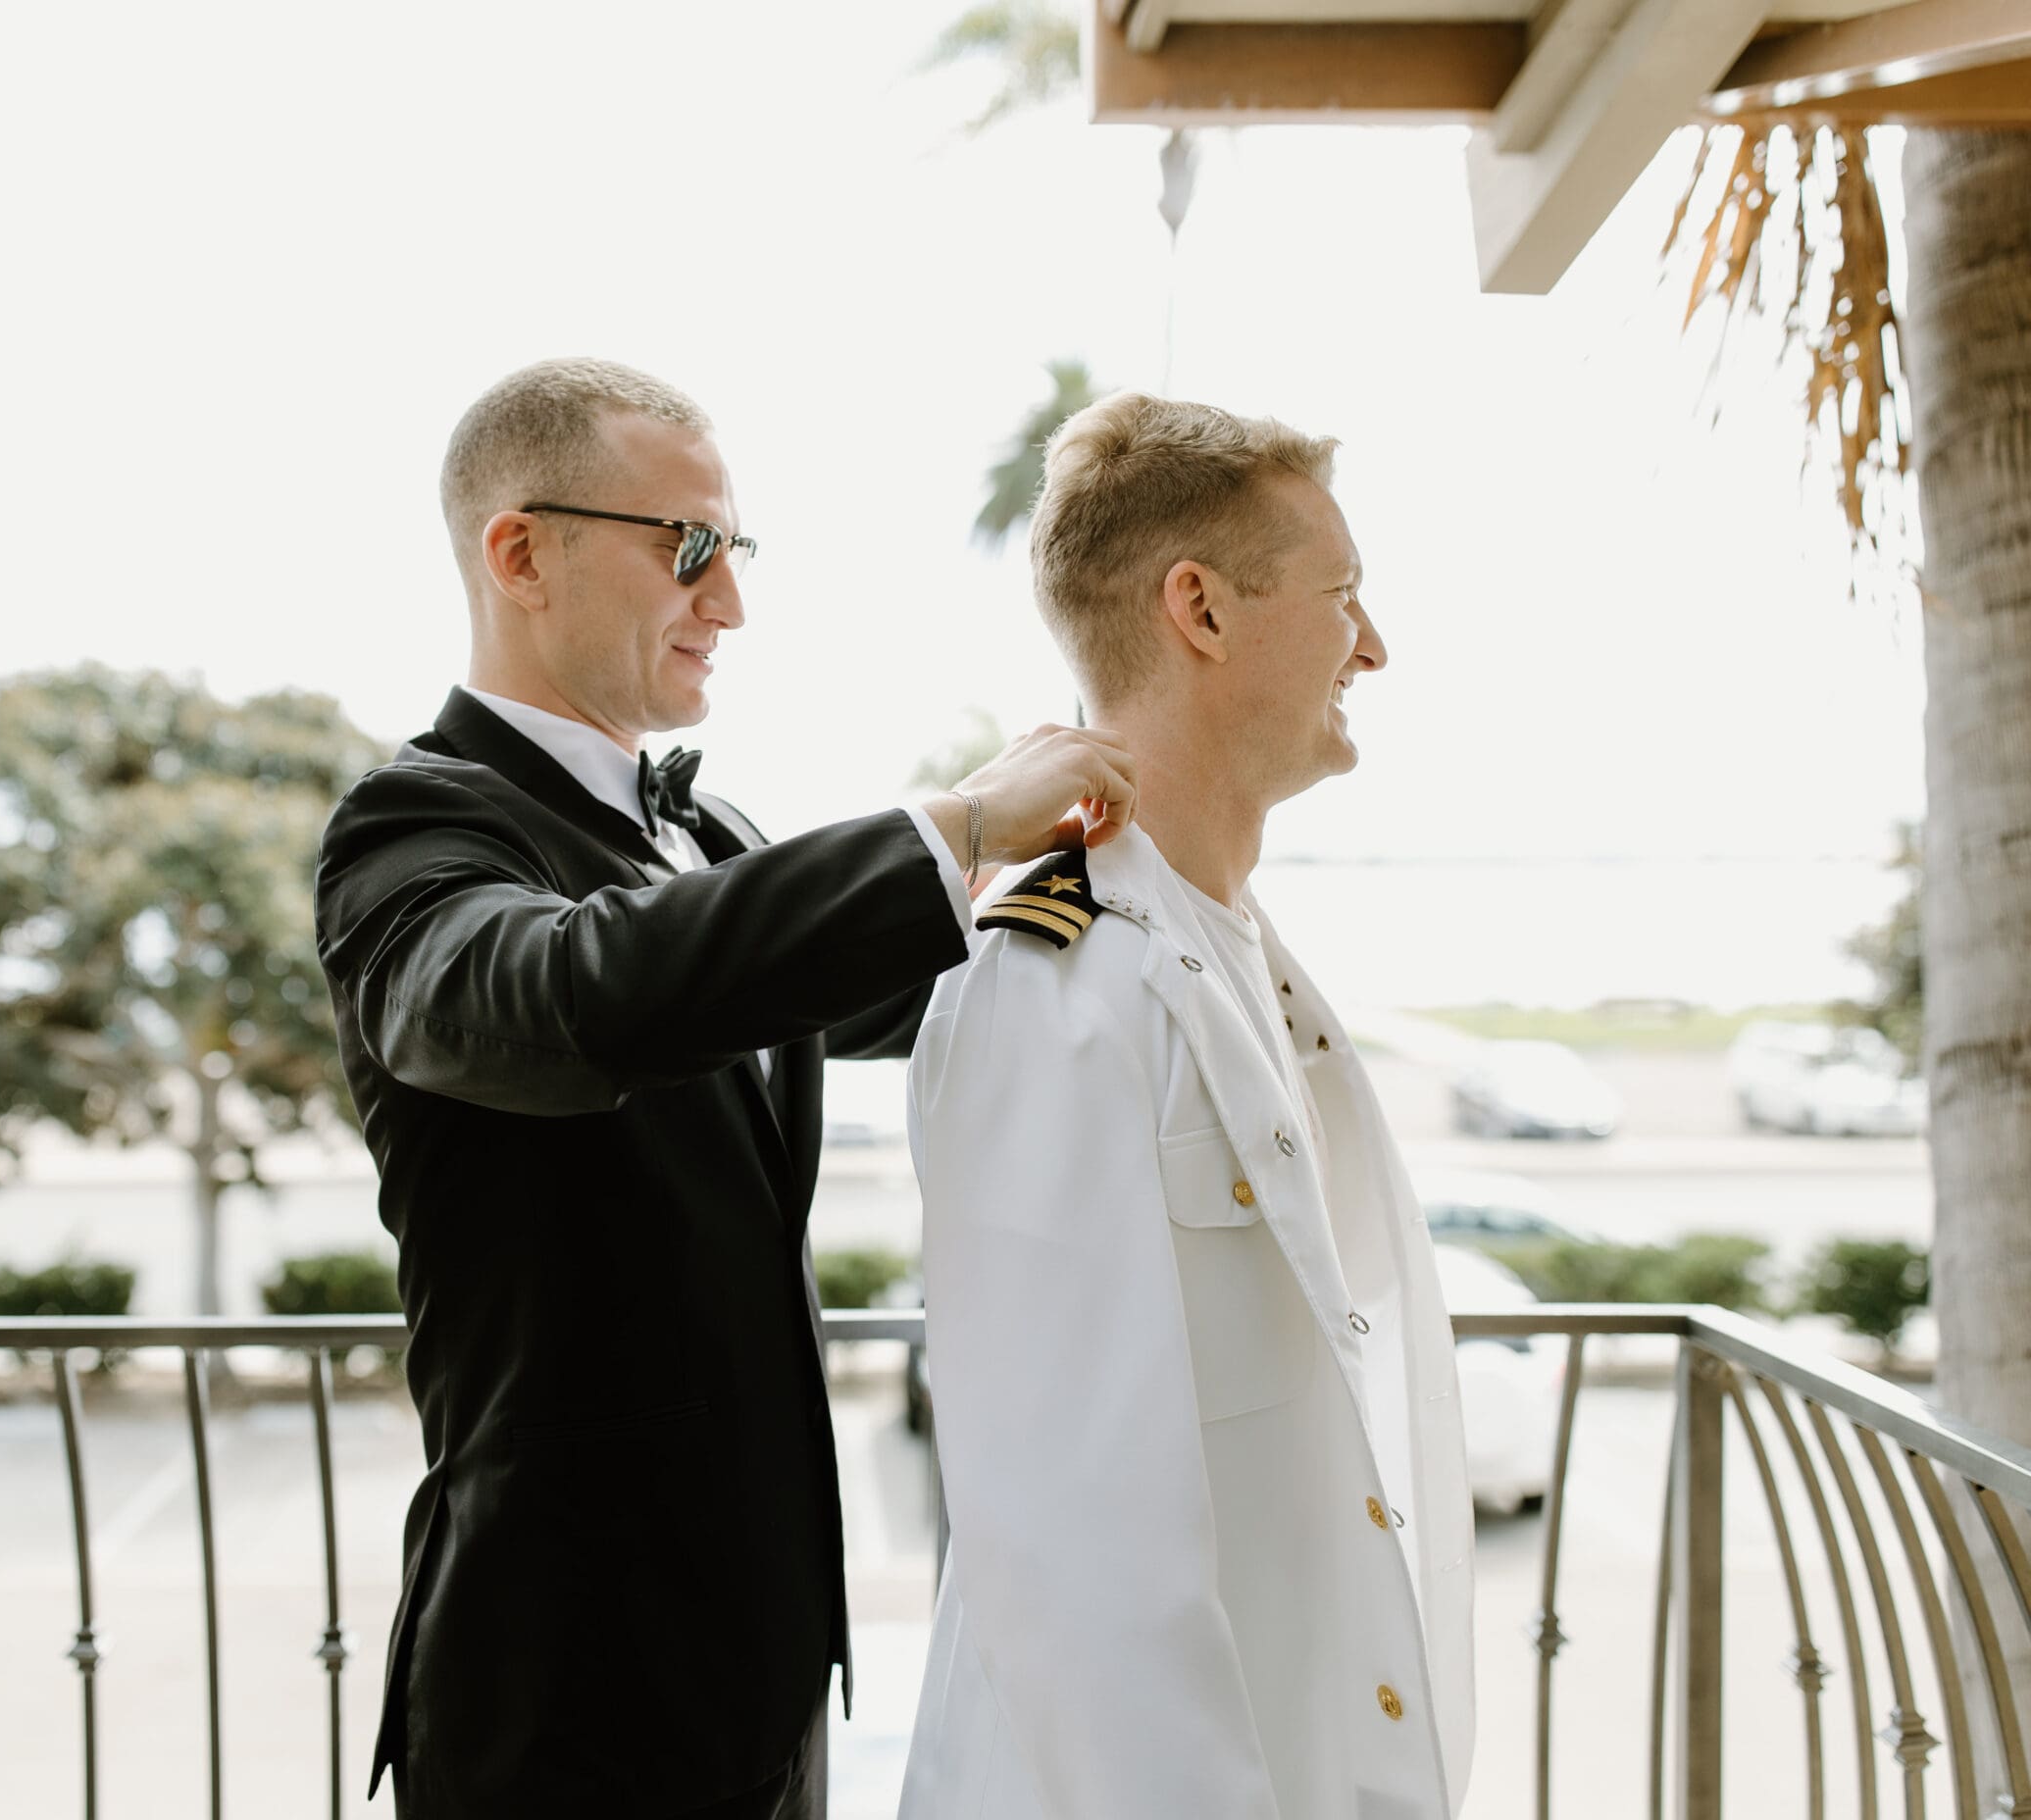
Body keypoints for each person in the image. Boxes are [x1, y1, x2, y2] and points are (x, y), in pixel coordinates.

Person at [313, 357, 1139, 1820]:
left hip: (762, 1672)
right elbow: (567, 996)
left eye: (733, 554)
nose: (730, 602)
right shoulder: (413, 831)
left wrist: (1095, 876)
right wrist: (946, 825)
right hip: (563, 1690)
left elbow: (880, 985)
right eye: (688, 550)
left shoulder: (712, 831)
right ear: (521, 553)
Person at [898, 395, 1475, 1819]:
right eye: (1343, 597)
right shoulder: (1050, 972)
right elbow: (1065, 1535)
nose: (1376, 646)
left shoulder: (1237, 951)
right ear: (1200, 610)